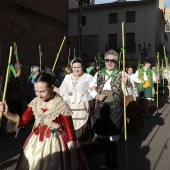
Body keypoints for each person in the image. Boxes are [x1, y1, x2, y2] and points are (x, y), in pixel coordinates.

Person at [0, 70, 89, 170]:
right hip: (35, 144)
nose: (38, 95)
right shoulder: (36, 102)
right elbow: (22, 121)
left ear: (52, 88)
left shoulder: (61, 105)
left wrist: (73, 159)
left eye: (42, 91)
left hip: (55, 145)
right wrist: (6, 113)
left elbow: (70, 134)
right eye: (36, 91)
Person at [89, 49, 127, 170]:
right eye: (107, 60)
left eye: (112, 60)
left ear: (116, 62)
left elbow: (130, 92)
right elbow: (91, 88)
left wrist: (127, 84)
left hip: (116, 108)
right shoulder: (99, 74)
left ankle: (114, 162)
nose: (109, 62)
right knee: (103, 136)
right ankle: (107, 159)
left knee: (113, 137)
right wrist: (97, 95)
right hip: (102, 108)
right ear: (104, 61)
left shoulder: (122, 74)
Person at [54, 58, 94, 141]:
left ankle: (82, 151)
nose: (76, 69)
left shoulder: (88, 77)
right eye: (74, 67)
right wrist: (52, 87)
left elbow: (93, 92)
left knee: (82, 134)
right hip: (70, 108)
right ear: (72, 68)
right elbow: (62, 92)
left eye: (78, 67)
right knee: (70, 130)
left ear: (82, 67)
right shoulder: (67, 78)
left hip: (83, 108)